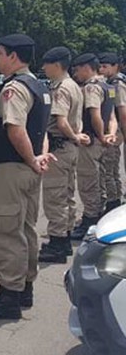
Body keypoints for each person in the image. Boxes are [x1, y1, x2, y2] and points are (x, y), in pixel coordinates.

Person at [0, 34, 53, 320]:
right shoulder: (39, 86)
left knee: (6, 230)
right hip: (28, 169)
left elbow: (15, 128)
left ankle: (8, 296)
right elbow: (43, 131)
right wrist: (38, 159)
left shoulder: (15, 88)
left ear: (14, 57)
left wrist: (32, 159)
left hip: (11, 169)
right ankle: (24, 288)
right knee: (26, 229)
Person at [38, 47, 87, 264]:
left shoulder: (61, 89)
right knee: (67, 194)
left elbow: (61, 121)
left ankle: (57, 244)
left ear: (56, 65)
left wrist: (74, 136)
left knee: (55, 197)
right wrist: (76, 137)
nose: (43, 68)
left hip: (60, 147)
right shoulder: (74, 86)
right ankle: (64, 238)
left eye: (46, 64)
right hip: (70, 149)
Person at [71, 53, 118, 240]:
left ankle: (90, 219)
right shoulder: (108, 86)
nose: (76, 73)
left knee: (88, 182)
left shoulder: (91, 87)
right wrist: (110, 134)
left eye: (77, 69)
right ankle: (97, 214)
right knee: (99, 181)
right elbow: (112, 116)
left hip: (91, 142)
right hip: (104, 142)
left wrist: (99, 135)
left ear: (86, 67)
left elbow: (95, 114)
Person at [99, 52, 124, 213]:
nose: (101, 69)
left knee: (109, 169)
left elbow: (122, 110)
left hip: (115, 130)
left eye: (105, 66)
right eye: (100, 66)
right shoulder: (111, 82)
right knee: (112, 169)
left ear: (115, 66)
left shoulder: (117, 84)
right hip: (116, 129)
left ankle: (113, 203)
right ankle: (115, 200)